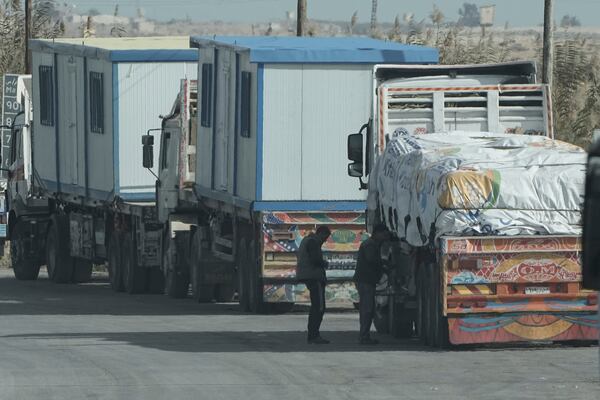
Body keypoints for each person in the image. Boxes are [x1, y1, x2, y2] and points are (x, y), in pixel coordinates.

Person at [354, 224, 390, 345]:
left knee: (368, 309)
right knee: (367, 310)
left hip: (366, 280)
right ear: (377, 233)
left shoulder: (371, 244)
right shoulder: (370, 244)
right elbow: (371, 259)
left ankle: (364, 335)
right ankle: (363, 336)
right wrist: (383, 264)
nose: (385, 238)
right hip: (365, 281)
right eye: (384, 235)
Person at [296, 226, 331, 344]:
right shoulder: (313, 242)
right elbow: (315, 259)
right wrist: (324, 263)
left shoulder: (307, 240)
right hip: (314, 277)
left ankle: (313, 334)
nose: (325, 240)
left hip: (308, 276)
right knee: (319, 307)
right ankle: (314, 335)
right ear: (320, 233)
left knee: (316, 306)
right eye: (325, 237)